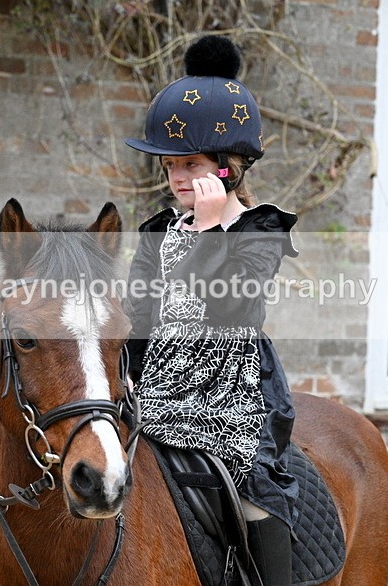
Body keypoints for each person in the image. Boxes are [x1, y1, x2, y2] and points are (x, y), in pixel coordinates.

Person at [124, 35, 299, 586]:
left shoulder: (260, 229)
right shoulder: (158, 230)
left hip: (230, 388)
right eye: (170, 165)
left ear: (227, 167)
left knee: (256, 496)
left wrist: (206, 228)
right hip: (154, 379)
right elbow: (139, 314)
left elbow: (230, 306)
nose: (175, 178)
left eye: (189, 164)